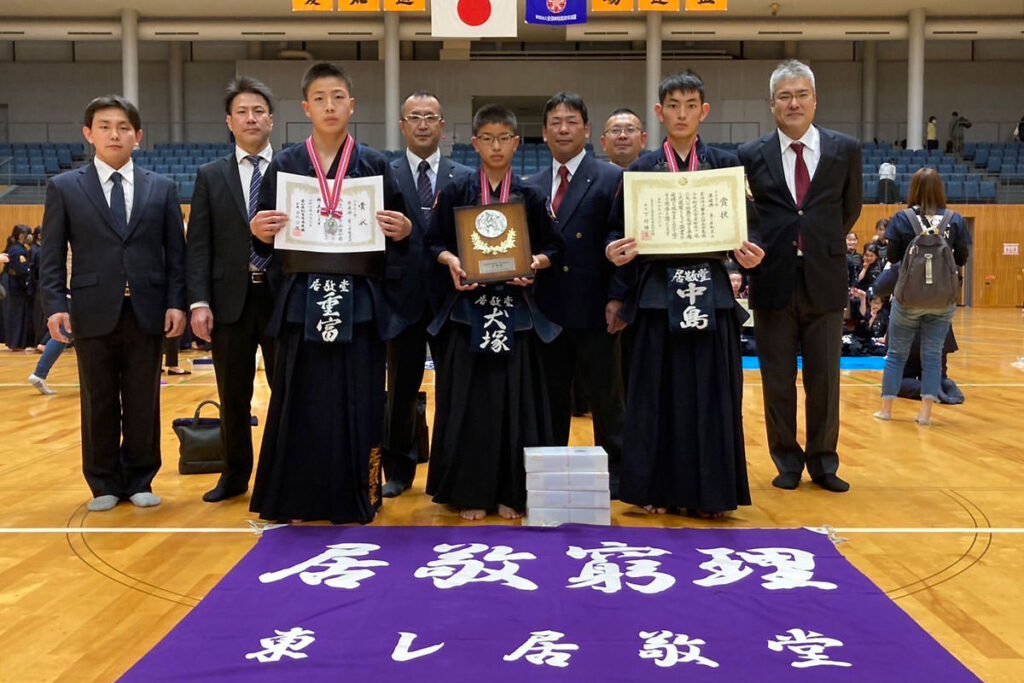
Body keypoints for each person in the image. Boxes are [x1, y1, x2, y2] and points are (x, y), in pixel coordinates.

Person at [247, 62, 412, 524]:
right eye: (320, 99)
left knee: (359, 400)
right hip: (303, 300)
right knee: (300, 400)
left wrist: (403, 230)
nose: (330, 106)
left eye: (338, 97)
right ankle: (294, 499)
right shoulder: (285, 164)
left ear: (352, 105)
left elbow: (402, 237)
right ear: (305, 108)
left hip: (359, 301)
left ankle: (358, 497)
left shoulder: (376, 163)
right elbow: (264, 237)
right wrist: (258, 230)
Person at [605, 70, 764, 518]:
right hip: (655, 293)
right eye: (672, 106)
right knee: (654, 394)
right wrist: (613, 251)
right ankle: (653, 487)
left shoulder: (725, 168)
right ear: (659, 113)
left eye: (690, 105)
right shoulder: (639, 171)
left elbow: (751, 226)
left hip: (710, 293)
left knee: (711, 395)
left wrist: (752, 252)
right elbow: (617, 229)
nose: (681, 114)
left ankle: (709, 494)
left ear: (703, 111)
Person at [40, 95, 186, 511]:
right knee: (98, 398)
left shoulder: (162, 188)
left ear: (137, 137)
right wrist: (54, 304)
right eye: (104, 126)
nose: (114, 134)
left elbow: (175, 253)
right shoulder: (65, 188)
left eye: (123, 127)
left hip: (147, 308)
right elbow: (51, 254)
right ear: (89, 134)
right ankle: (102, 481)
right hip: (91, 308)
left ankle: (140, 476)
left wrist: (176, 302)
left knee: (143, 397)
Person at [424, 103, 563, 521]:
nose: (496, 145)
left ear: (517, 143)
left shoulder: (531, 195)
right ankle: (470, 491)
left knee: (515, 404)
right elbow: (433, 243)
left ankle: (512, 492)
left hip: (516, 314)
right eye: (488, 138)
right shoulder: (457, 192)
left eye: (504, 137)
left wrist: (535, 264)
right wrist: (450, 259)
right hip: (469, 313)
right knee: (470, 404)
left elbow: (555, 248)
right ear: (475, 143)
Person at [738, 59, 862, 493]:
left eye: (801, 94)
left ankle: (824, 462)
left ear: (815, 99)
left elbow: (850, 210)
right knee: (777, 378)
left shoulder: (845, 149)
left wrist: (817, 243)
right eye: (784, 96)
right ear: (772, 104)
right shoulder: (750, 155)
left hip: (824, 279)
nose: (794, 103)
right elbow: (748, 215)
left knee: (825, 379)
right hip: (772, 279)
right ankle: (786, 459)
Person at [186, 76, 279, 503]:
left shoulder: (294, 169)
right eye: (242, 111)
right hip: (229, 303)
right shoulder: (210, 175)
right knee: (234, 394)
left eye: (258, 110)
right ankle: (235, 474)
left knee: (289, 392)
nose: (251, 118)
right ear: (229, 121)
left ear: (272, 120)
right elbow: (199, 244)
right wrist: (199, 301)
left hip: (282, 298)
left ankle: (283, 473)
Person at [527, 92, 625, 497]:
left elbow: (622, 240)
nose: (563, 129)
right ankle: (549, 476)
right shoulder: (530, 185)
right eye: (555, 122)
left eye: (571, 121)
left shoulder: (610, 178)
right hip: (546, 310)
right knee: (549, 400)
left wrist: (619, 297)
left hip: (596, 307)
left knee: (608, 399)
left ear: (587, 130)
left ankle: (617, 476)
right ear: (544, 132)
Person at [381, 90, 472, 498]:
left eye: (429, 117)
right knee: (400, 390)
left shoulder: (464, 176)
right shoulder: (383, 174)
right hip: (400, 301)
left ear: (442, 126)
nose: (422, 123)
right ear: (402, 126)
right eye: (414, 117)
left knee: (454, 389)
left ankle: (452, 470)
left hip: (451, 298)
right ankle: (398, 470)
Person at [874, 168, 970, 426]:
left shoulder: (903, 219)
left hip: (908, 298)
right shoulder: (956, 219)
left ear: (913, 189)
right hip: (942, 300)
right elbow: (962, 259)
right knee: (932, 354)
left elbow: (893, 258)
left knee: (896, 354)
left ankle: (886, 409)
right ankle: (926, 413)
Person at [3, 225, 36, 351]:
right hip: (17, 286)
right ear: (21, 236)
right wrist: (31, 271)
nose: (30, 236)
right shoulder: (18, 251)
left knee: (20, 314)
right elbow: (22, 269)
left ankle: (18, 342)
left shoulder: (20, 248)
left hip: (17, 285)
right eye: (28, 233)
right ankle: (16, 343)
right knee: (18, 314)